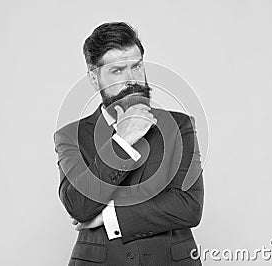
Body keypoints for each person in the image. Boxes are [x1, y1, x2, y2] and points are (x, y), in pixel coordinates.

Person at [53, 22, 204, 266]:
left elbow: (189, 207)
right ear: (94, 77)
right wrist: (121, 141)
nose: (132, 79)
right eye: (117, 71)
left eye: (136, 66)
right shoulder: (71, 135)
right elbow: (79, 206)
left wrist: (107, 216)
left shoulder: (180, 126)